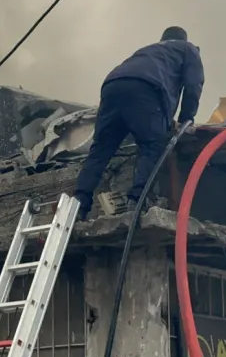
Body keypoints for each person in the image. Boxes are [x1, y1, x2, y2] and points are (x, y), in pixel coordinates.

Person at [73, 26, 204, 220]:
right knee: (153, 145)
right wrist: (187, 118)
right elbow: (194, 84)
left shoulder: (149, 51)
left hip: (112, 86)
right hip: (145, 89)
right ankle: (137, 200)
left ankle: (78, 205)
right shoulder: (188, 49)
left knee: (100, 150)